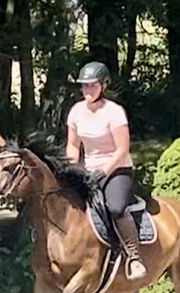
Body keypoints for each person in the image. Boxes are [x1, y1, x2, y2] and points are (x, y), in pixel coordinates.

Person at [65, 61, 147, 280]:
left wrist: (103, 172)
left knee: (115, 207)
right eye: (84, 86)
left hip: (117, 169)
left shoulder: (114, 112)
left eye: (92, 85)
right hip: (88, 170)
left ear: (103, 85)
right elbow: (73, 145)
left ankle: (134, 257)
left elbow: (122, 149)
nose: (87, 90)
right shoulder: (76, 112)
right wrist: (71, 166)